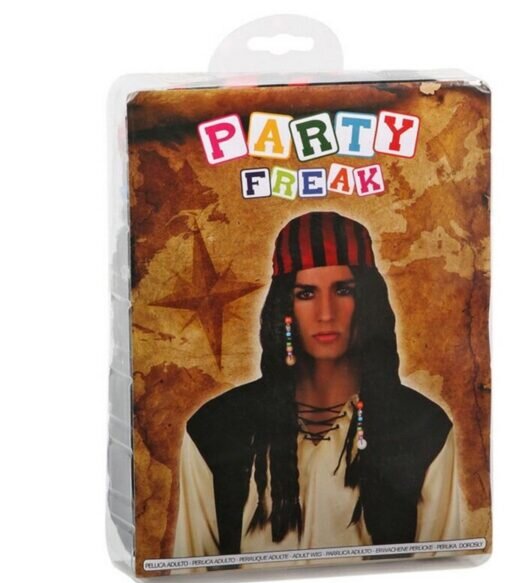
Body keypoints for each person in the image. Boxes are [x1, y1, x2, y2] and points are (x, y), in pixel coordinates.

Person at [173, 211, 464, 561]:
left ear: (367, 302)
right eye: (306, 293)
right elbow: (193, 571)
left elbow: (439, 569)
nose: (326, 313)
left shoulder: (422, 429)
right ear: (285, 307)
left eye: (343, 290)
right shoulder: (215, 430)